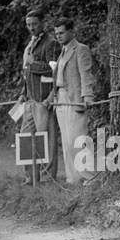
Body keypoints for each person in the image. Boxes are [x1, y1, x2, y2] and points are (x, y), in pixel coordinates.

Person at [50, 18, 96, 185]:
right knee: (67, 141)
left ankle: (90, 176)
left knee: (78, 139)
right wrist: (53, 98)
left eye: (61, 33)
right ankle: (73, 178)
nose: (59, 36)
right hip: (61, 99)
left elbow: (86, 74)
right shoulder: (62, 52)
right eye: (56, 34)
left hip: (75, 99)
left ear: (71, 32)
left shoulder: (80, 49)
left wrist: (87, 96)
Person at [20, 9, 61, 181]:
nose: (31, 27)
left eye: (34, 24)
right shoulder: (30, 43)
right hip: (29, 99)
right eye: (28, 24)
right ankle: (31, 177)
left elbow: (53, 70)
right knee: (25, 137)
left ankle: (47, 178)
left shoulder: (51, 43)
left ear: (43, 23)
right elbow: (26, 72)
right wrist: (23, 92)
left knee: (46, 140)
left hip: (44, 99)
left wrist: (32, 64)